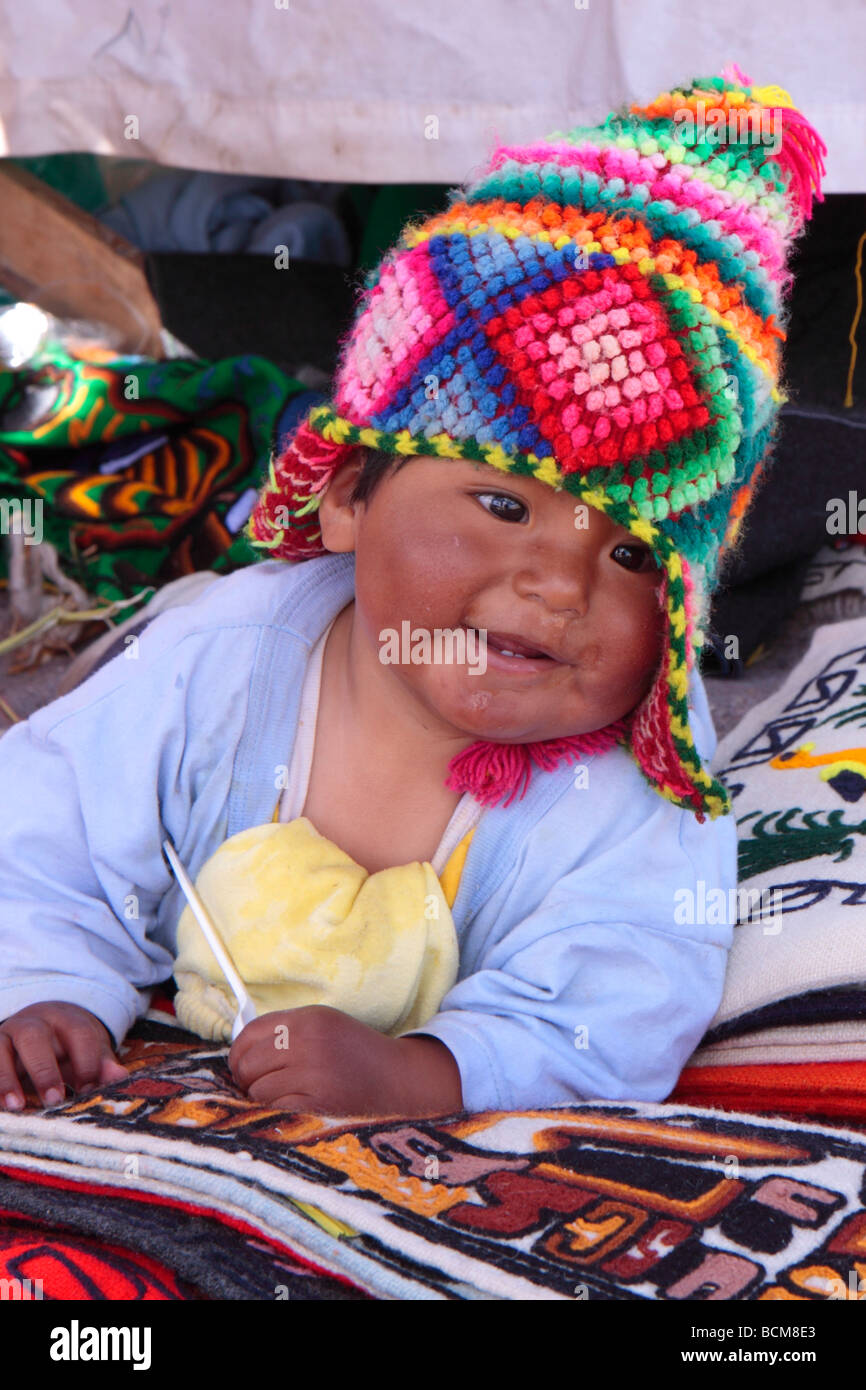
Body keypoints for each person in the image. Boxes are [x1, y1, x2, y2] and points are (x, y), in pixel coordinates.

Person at [0, 69, 825, 1118]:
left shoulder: (632, 785)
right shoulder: (220, 659)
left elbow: (626, 987)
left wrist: (431, 1070)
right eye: (501, 503)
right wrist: (41, 987)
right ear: (346, 497)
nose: (556, 582)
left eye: (630, 554)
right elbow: (41, 832)